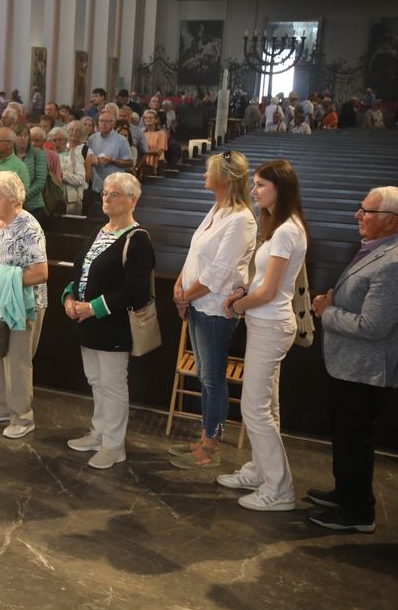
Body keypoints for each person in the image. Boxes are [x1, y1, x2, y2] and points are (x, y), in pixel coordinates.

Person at [217, 160, 308, 512]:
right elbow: (264, 281)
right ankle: (260, 470)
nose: (253, 191)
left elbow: (270, 291)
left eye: (260, 185)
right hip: (265, 321)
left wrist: (237, 306)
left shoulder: (287, 230)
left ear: (279, 189)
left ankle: (279, 488)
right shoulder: (280, 225)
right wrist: (244, 294)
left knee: (255, 408)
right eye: (254, 184)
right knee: (267, 405)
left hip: (270, 321)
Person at [306, 187, 398, 532]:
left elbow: (373, 326)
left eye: (366, 212)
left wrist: (327, 312)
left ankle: (358, 512)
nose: (358, 216)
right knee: (345, 437)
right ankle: (344, 493)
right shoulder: (376, 250)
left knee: (355, 440)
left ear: (390, 222)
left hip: (367, 369)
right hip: (350, 364)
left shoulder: (393, 263)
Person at [169, 152, 257, 470]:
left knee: (213, 379)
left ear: (226, 178)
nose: (204, 175)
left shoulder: (242, 219)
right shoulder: (219, 208)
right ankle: (206, 438)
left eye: (210, 171)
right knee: (205, 377)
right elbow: (196, 252)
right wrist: (181, 284)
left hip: (215, 311)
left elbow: (220, 272)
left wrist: (186, 297)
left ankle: (213, 446)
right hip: (197, 304)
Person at [62, 173, 154, 467]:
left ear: (132, 200)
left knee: (113, 384)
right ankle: (98, 432)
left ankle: (114, 445)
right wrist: (69, 298)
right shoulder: (100, 231)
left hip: (114, 325)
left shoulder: (137, 239)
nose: (107, 198)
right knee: (96, 381)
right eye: (105, 193)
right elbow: (81, 270)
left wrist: (93, 308)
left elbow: (133, 289)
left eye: (115, 194)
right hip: (87, 322)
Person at [0, 171, 49, 438]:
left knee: (17, 360)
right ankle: (5, 407)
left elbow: (41, 273)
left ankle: (23, 417)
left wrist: (1, 278)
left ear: (13, 199)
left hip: (24, 303)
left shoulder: (28, 226)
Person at [84, 109, 132, 217]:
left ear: (113, 123)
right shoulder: (92, 139)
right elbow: (87, 158)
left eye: (107, 121)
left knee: (111, 217)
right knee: (95, 216)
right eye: (101, 121)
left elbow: (130, 162)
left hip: (115, 187)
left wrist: (112, 160)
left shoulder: (121, 140)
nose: (103, 124)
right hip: (96, 184)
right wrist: (93, 160)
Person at [13, 124, 48, 224]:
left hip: (33, 206)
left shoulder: (38, 153)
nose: (23, 138)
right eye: (19, 135)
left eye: (26, 135)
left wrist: (21, 198)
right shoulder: (10, 155)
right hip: (11, 207)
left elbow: (40, 182)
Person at [60, 121, 89, 216]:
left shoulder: (79, 153)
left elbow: (81, 179)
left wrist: (61, 175)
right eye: (71, 130)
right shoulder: (56, 152)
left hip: (72, 199)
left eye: (77, 130)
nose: (73, 132)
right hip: (56, 197)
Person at [141, 110, 168, 175]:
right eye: (146, 118)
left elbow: (159, 151)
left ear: (156, 120)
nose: (148, 119)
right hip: (144, 163)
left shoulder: (161, 133)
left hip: (157, 163)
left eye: (151, 118)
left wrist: (145, 151)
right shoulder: (142, 133)